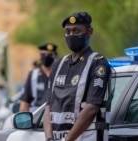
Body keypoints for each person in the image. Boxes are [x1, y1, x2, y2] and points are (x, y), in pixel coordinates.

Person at [44, 11, 114, 141]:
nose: (71, 35)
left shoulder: (98, 63)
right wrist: (49, 138)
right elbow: (48, 106)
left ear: (89, 32)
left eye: (77, 31)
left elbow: (91, 108)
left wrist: (67, 140)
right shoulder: (58, 65)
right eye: (68, 31)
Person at [19, 43, 58, 112]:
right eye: (43, 54)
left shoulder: (61, 73)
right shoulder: (33, 75)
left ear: (55, 56)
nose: (46, 57)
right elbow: (24, 104)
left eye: (49, 55)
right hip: (37, 118)